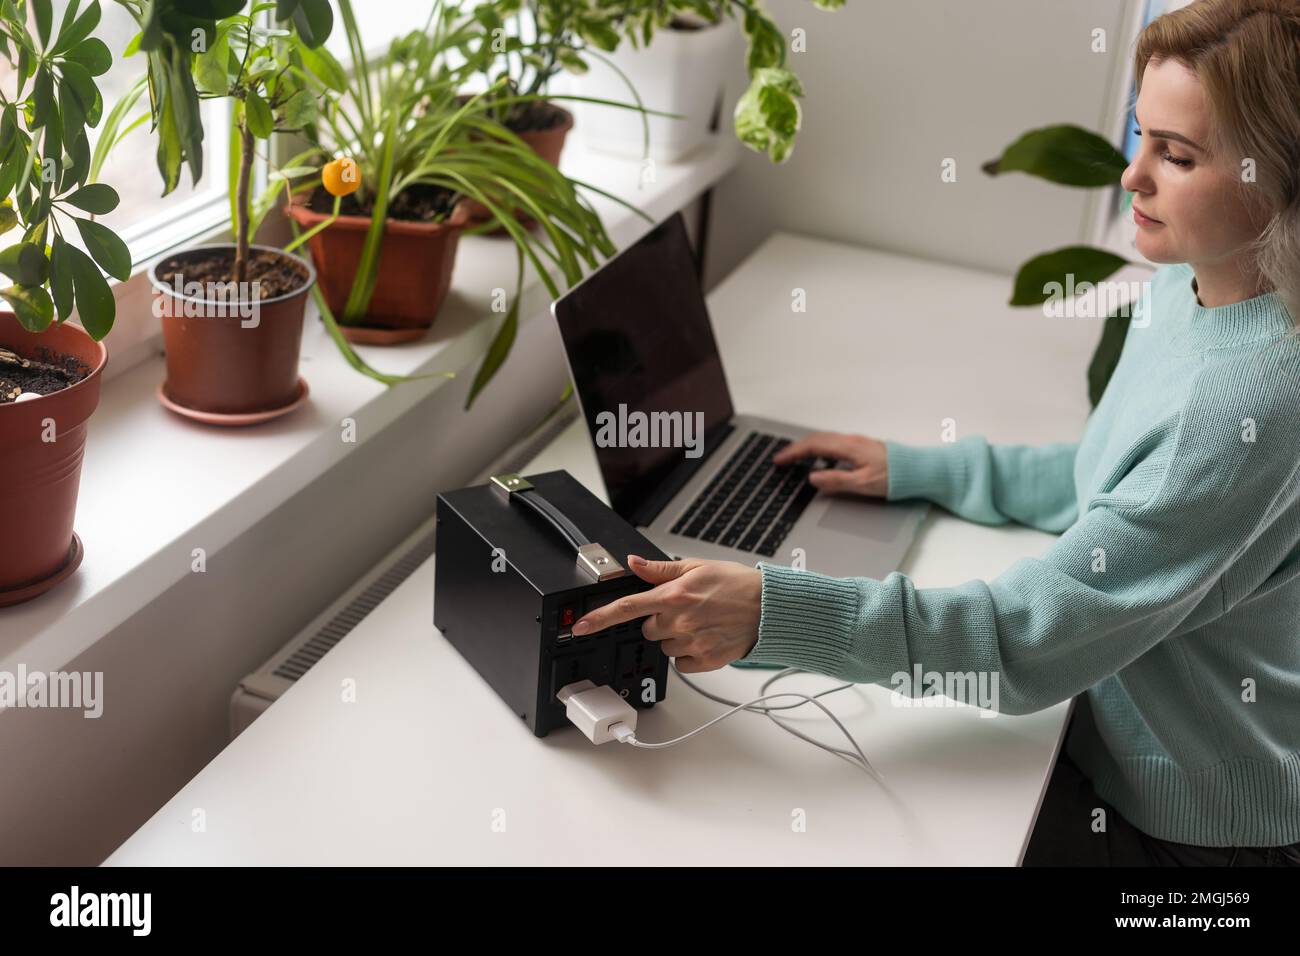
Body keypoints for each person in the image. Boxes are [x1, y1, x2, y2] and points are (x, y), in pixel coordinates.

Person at [569, 0, 1300, 865]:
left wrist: (773, 613)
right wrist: (927, 468)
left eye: (1176, 156)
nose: (1132, 178)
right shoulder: (1196, 286)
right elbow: (1113, 479)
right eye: (1139, 135)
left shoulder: (1250, 405)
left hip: (1189, 828)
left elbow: (1022, 642)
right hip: (1112, 740)